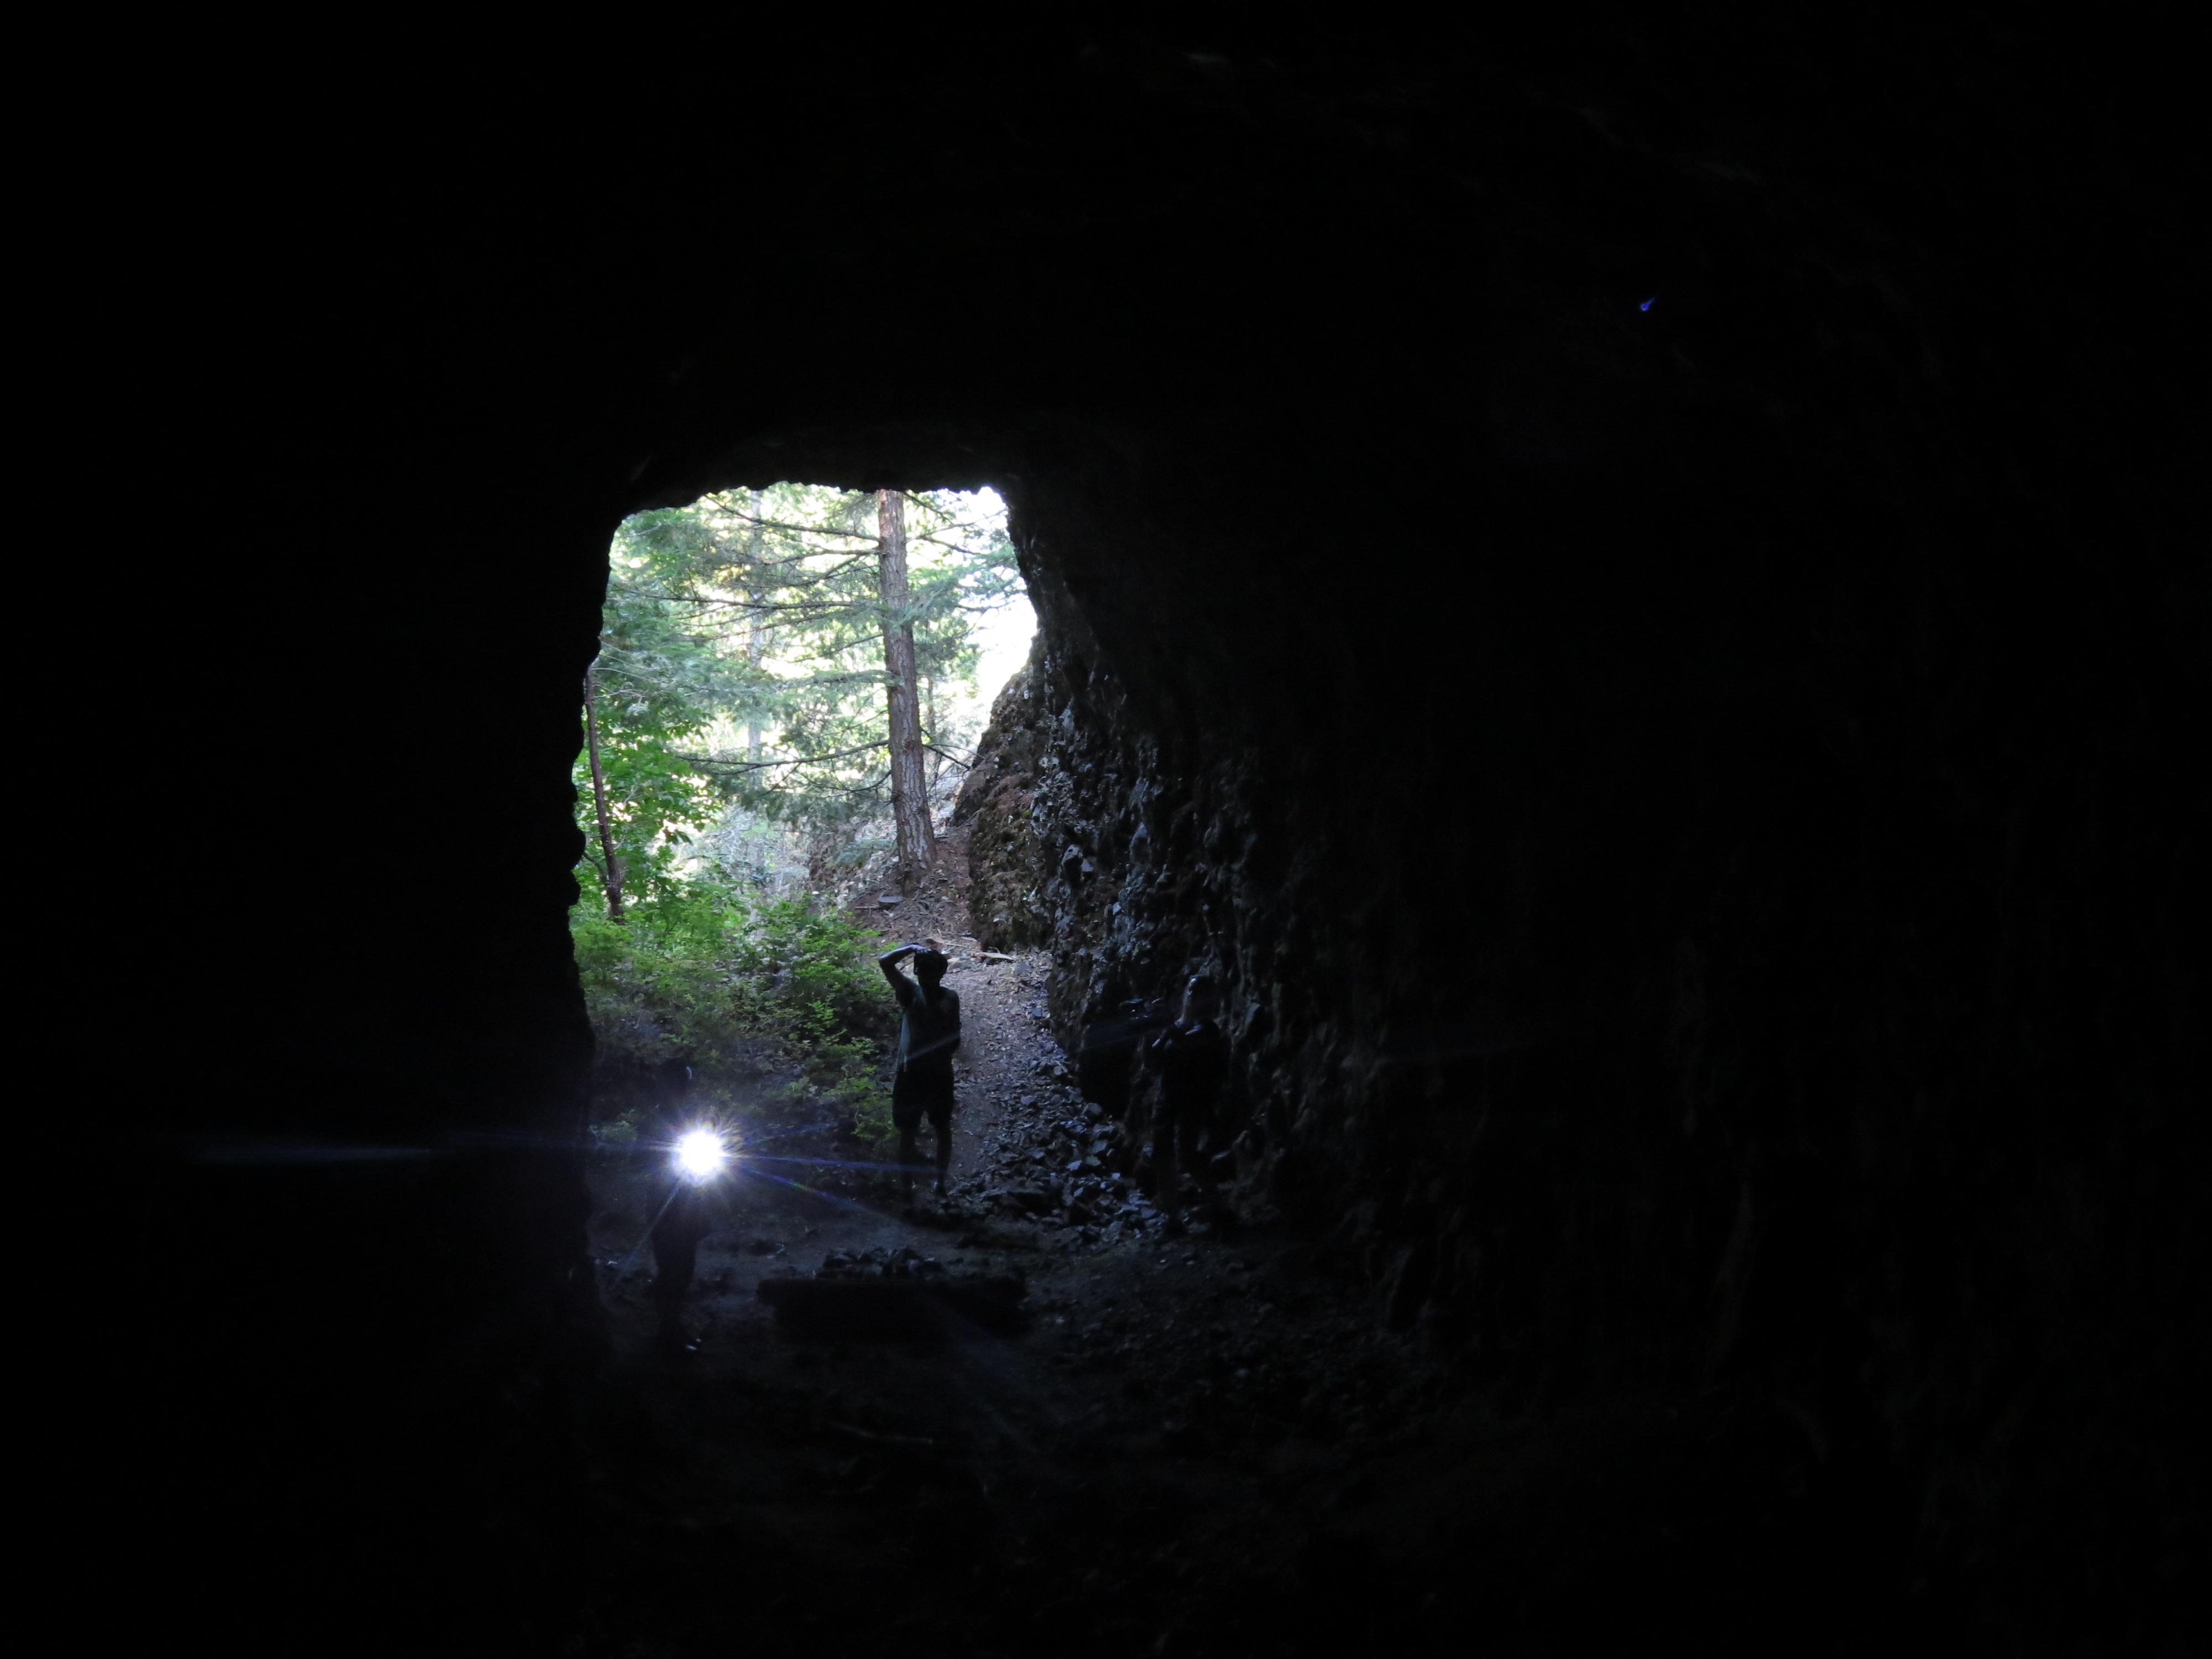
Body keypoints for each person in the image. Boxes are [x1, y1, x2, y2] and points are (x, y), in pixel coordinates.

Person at [879, 939, 962, 1204]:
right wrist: (912, 948)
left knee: (938, 1129)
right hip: (919, 1074)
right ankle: (912, 1189)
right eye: (922, 969)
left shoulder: (940, 997)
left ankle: (937, 1184)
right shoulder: (914, 994)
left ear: (941, 973)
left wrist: (913, 951)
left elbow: (951, 1031)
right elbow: (885, 962)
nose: (925, 974)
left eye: (930, 969)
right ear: (917, 971)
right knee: (913, 1132)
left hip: (928, 1075)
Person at [643, 1059, 715, 1354]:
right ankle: (668, 1332)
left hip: (686, 1206)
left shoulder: (688, 1121)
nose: (684, 1088)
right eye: (680, 1082)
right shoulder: (656, 1122)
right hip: (667, 1207)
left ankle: (671, 1327)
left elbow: (706, 1167)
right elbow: (642, 1164)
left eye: (685, 1082)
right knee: (675, 1270)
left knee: (680, 1269)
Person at [1146, 974, 1228, 1234]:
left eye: (1199, 992)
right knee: (1162, 1154)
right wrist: (1151, 1027)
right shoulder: (1178, 1026)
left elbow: (1187, 1042)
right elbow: (1154, 1059)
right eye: (1191, 990)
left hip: (1193, 1099)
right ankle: (1173, 1217)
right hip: (1168, 1096)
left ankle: (1219, 1207)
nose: (1192, 995)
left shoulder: (1208, 1028)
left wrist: (1165, 1025)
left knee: (1188, 1155)